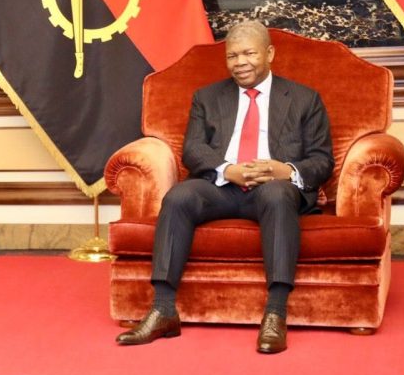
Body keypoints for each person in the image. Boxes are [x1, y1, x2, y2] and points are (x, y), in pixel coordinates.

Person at [115, 20, 334, 354]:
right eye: (232, 56)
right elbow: (193, 149)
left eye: (249, 53)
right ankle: (163, 310)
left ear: (269, 54)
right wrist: (227, 170)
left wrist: (284, 170)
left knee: (277, 194)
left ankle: (275, 314)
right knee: (179, 197)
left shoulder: (305, 99)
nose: (240, 62)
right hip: (221, 186)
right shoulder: (207, 97)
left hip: (272, 188)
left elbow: (322, 160)